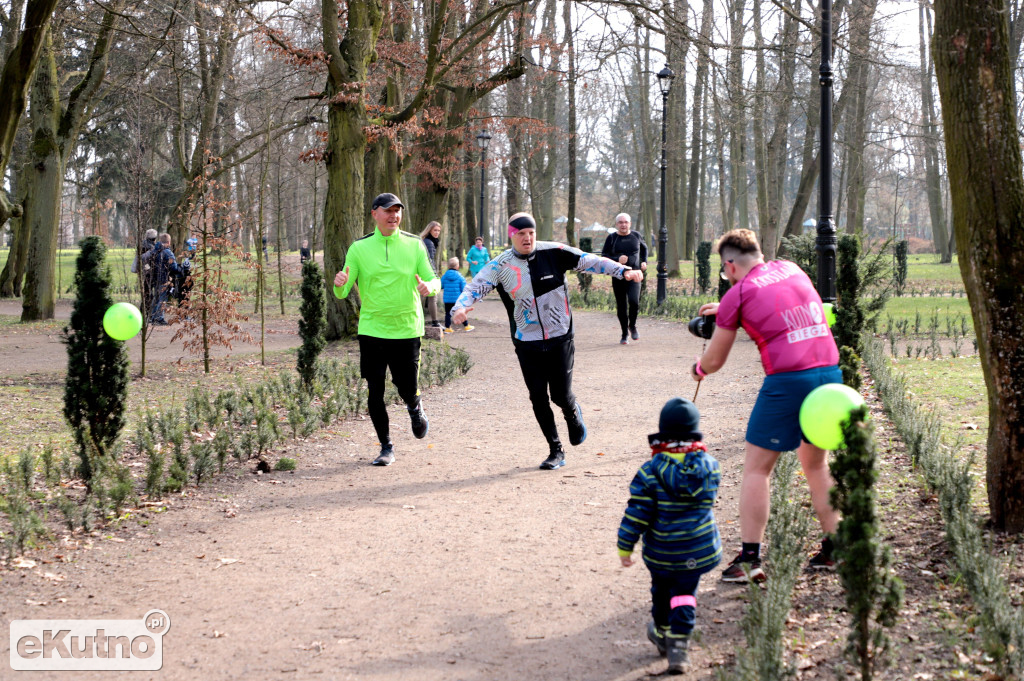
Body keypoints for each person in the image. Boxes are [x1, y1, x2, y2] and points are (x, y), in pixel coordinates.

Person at [690, 228, 841, 583]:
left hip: (788, 380)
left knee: (757, 470)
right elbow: (778, 302)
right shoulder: (790, 268)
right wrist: (727, 309)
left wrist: (698, 370)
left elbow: (714, 361)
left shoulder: (738, 292)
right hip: (829, 374)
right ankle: (838, 547)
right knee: (816, 465)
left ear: (729, 266)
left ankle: (749, 560)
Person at [451, 212, 644, 470]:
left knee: (561, 395)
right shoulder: (500, 266)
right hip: (526, 340)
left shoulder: (554, 251)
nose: (527, 238)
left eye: (531, 233)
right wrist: (460, 308)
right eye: (521, 234)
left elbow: (590, 261)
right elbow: (475, 287)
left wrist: (623, 271)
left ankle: (572, 412)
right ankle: (556, 450)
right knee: (538, 397)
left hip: (560, 335)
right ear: (512, 235)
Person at [333, 193, 440, 466]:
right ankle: (386, 446)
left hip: (406, 328)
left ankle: (414, 405)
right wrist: (339, 282)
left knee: (407, 386)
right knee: (375, 390)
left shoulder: (415, 246)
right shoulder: (359, 248)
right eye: (388, 211)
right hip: (372, 329)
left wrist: (430, 287)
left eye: (397, 211)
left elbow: (432, 278)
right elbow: (343, 291)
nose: (394, 216)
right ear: (375, 214)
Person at [618, 397, 721, 675]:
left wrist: (625, 545)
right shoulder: (710, 467)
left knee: (662, 595)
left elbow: (637, 513)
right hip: (696, 550)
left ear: (662, 433)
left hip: (662, 552)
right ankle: (679, 647)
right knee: (685, 595)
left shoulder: (649, 472)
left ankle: (662, 631)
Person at [601, 213, 648, 344]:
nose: (623, 225)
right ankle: (624, 333)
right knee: (621, 305)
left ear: (630, 224)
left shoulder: (636, 236)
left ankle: (632, 325)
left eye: (626, 222)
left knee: (634, 301)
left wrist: (644, 262)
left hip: (635, 274)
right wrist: (617, 259)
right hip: (618, 276)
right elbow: (604, 256)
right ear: (617, 224)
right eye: (620, 222)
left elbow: (644, 249)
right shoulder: (611, 238)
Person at [150, 233, 179, 325]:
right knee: (162, 299)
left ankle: (153, 316)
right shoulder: (167, 252)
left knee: (157, 297)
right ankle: (159, 318)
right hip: (164, 278)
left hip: (154, 278)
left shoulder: (154, 250)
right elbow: (173, 267)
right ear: (169, 242)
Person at [131, 229, 159, 319]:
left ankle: (143, 312)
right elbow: (145, 260)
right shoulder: (150, 247)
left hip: (144, 273)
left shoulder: (142, 245)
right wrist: (149, 269)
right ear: (154, 238)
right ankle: (148, 313)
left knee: (146, 293)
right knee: (149, 294)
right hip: (149, 273)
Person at [419, 221, 442, 328]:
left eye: (438, 231)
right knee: (432, 296)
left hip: (422, 272)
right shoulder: (429, 242)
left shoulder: (426, 240)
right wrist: (434, 275)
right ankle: (435, 322)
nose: (437, 233)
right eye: (435, 230)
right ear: (429, 230)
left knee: (423, 296)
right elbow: (429, 260)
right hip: (426, 273)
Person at [440, 257, 472, 333]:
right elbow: (464, 289)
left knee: (448, 314)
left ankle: (448, 328)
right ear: (457, 267)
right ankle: (466, 326)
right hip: (458, 300)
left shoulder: (444, 276)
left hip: (447, 300)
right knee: (461, 312)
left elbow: (441, 286)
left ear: (448, 266)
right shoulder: (460, 277)